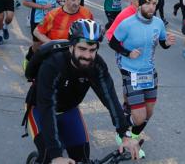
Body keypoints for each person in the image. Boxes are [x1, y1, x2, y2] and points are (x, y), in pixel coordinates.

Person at [25, 19, 140, 164]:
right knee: (49, 156)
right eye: (82, 49)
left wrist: (125, 134)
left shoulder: (97, 65)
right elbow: (47, 107)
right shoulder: (53, 64)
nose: (87, 55)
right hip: (40, 110)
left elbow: (109, 97)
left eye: (92, 50)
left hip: (69, 110)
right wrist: (56, 155)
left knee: (82, 157)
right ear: (71, 47)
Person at [109, 0, 176, 158]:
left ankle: (130, 135)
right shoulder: (127, 23)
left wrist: (167, 43)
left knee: (149, 113)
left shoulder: (159, 23)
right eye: (147, 3)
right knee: (139, 118)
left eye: (154, 4)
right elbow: (113, 43)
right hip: (131, 72)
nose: (151, 7)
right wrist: (127, 53)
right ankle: (123, 133)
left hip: (150, 72)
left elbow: (161, 41)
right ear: (139, 4)